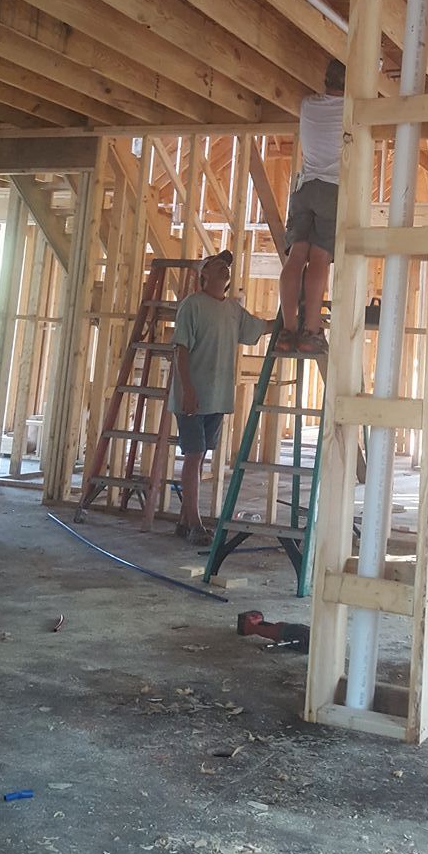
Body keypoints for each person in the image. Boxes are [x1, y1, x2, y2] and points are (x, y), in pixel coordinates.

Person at [169, 249, 273, 543]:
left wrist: (287, 320)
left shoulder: (231, 309)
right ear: (204, 274)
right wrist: (187, 389)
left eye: (227, 267)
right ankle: (195, 526)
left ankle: (184, 521)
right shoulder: (192, 306)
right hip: (194, 396)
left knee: (199, 457)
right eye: (218, 266)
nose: (225, 270)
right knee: (193, 457)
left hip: (216, 395)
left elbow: (257, 327)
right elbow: (181, 349)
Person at [276, 57, 345, 357]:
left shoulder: (308, 105)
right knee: (319, 257)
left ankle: (288, 329)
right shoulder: (351, 109)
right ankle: (311, 331)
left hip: (305, 187)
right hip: (331, 189)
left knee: (296, 257)